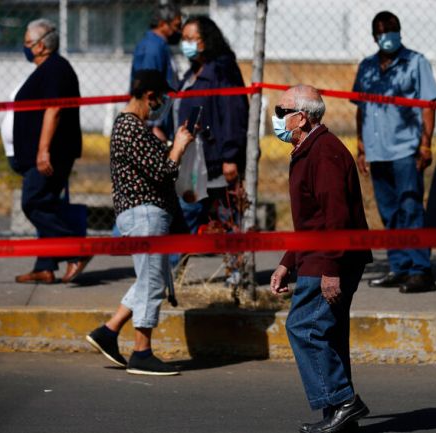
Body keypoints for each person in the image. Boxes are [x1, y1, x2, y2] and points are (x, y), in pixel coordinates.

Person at [270, 85, 373, 433]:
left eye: (282, 111)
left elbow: (335, 218)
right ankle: (339, 416)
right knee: (327, 334)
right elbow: (310, 221)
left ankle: (344, 401)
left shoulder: (324, 153)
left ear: (302, 117)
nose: (277, 117)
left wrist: (331, 270)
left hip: (330, 259)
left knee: (304, 327)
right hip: (317, 255)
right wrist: (288, 261)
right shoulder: (307, 150)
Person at [86, 69, 194, 376]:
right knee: (151, 280)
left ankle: (108, 331)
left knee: (151, 278)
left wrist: (172, 144)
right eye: (161, 99)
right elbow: (163, 172)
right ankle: (141, 351)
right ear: (150, 97)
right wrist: (179, 146)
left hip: (146, 211)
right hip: (144, 211)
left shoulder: (135, 128)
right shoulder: (130, 128)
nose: (162, 106)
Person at [352, 11, 436, 293]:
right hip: (377, 151)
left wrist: (425, 145)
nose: (386, 35)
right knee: (389, 213)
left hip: (406, 149)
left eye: (390, 29)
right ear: (374, 36)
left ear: (399, 32)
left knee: (411, 209)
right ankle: (400, 267)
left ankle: (420, 269)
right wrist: (361, 145)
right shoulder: (366, 67)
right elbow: (361, 109)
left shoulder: (415, 63)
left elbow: (428, 104)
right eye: (381, 31)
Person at [11, 18, 92, 284]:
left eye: (27, 42)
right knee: (45, 202)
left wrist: (43, 150)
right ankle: (45, 266)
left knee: (32, 202)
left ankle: (76, 249)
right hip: (40, 154)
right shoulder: (47, 69)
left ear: (41, 45)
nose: (24, 47)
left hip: (51, 154)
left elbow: (54, 109)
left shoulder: (56, 69)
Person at [176, 16, 249, 234]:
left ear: (206, 40)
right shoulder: (191, 73)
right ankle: (177, 265)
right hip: (192, 159)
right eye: (183, 38)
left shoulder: (222, 70)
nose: (186, 44)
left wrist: (230, 156)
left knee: (228, 221)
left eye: (192, 38)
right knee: (189, 216)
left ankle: (237, 267)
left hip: (216, 161)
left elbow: (233, 114)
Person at [130, 3, 182, 142]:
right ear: (162, 24)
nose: (179, 31)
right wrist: (153, 125)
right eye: (176, 26)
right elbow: (148, 87)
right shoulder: (153, 48)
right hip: (153, 125)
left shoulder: (161, 46)